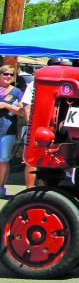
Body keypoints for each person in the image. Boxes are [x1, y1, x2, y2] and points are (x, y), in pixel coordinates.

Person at [0, 63, 26, 198]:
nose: (8, 77)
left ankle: (1, 187)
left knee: (3, 159)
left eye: (11, 74)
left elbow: (22, 112)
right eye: (6, 74)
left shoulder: (16, 92)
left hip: (7, 129)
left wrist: (6, 105)